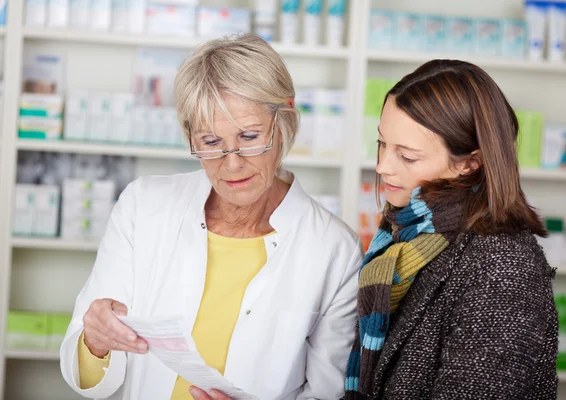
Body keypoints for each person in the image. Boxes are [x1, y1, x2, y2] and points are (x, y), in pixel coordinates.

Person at [60, 33, 363, 400]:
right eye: (210, 142)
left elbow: (329, 392)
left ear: (284, 118)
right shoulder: (144, 206)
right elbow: (89, 378)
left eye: (249, 136)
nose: (231, 164)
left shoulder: (334, 249)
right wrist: (94, 340)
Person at [344, 60, 558, 399]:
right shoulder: (409, 234)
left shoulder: (502, 266)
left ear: (469, 163)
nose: (383, 166)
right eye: (382, 143)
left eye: (408, 157)